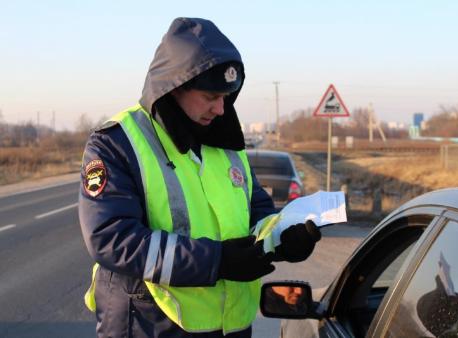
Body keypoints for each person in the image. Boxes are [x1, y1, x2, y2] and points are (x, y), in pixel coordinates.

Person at [78, 17, 321, 338]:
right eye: (210, 97)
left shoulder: (225, 141)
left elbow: (256, 209)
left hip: (230, 325)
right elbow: (112, 238)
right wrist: (217, 262)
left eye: (227, 97)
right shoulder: (118, 142)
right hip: (151, 324)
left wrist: (283, 238)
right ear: (174, 88)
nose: (221, 109)